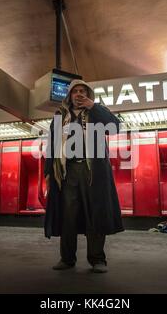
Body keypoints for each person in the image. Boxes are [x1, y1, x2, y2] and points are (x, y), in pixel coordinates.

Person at [44, 79, 124, 273]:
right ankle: (67, 258)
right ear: (69, 95)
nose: (79, 94)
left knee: (94, 214)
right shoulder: (60, 115)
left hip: (93, 172)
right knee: (68, 216)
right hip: (68, 171)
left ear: (88, 95)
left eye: (83, 91)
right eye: (75, 91)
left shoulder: (95, 111)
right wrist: (48, 172)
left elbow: (114, 126)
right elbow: (52, 145)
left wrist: (94, 106)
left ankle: (97, 259)